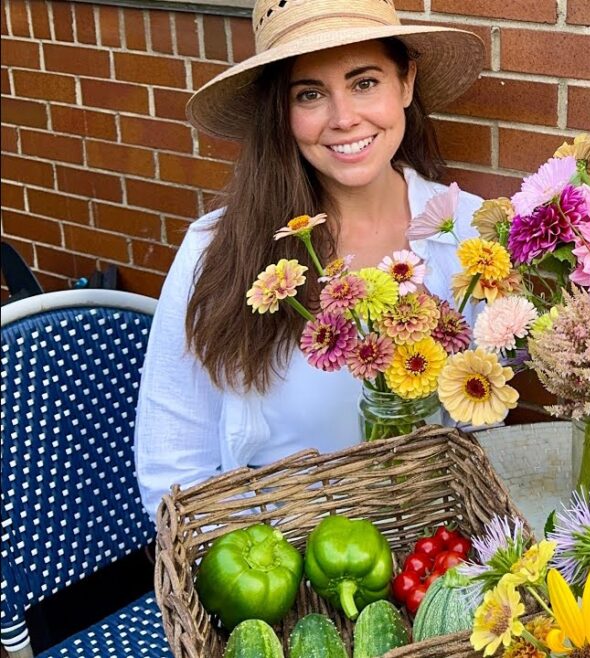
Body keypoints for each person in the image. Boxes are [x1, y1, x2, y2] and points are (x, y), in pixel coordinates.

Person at [134, 0, 486, 520]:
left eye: (365, 82)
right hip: (272, 564)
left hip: (432, 557)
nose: (344, 119)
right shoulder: (218, 251)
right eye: (311, 94)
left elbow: (480, 429)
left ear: (406, 83)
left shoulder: (469, 238)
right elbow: (172, 468)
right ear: (280, 111)